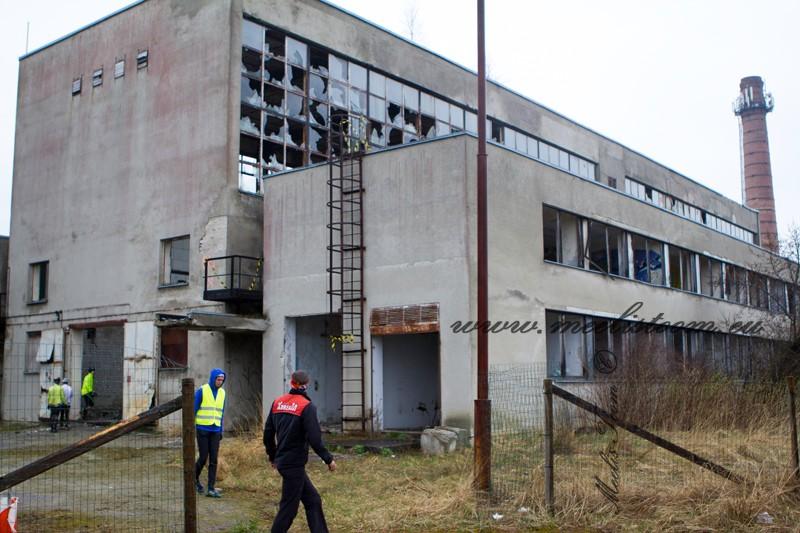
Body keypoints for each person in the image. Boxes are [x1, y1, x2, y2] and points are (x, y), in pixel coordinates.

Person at [264, 370, 336, 533]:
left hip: (285, 462)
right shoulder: (306, 406)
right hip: (293, 464)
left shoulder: (277, 403)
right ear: (307, 385)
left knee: (313, 500)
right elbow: (314, 438)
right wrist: (328, 459)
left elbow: (268, 434)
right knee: (289, 509)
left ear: (291, 383)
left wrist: (273, 456)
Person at [194, 368, 226, 498]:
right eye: (218, 379)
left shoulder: (223, 393)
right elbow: (194, 409)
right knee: (203, 457)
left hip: (215, 430)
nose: (220, 382)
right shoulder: (202, 390)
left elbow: (221, 412)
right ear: (213, 378)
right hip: (202, 429)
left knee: (214, 459)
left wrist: (221, 429)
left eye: (222, 380)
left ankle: (211, 488)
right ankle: (193, 479)